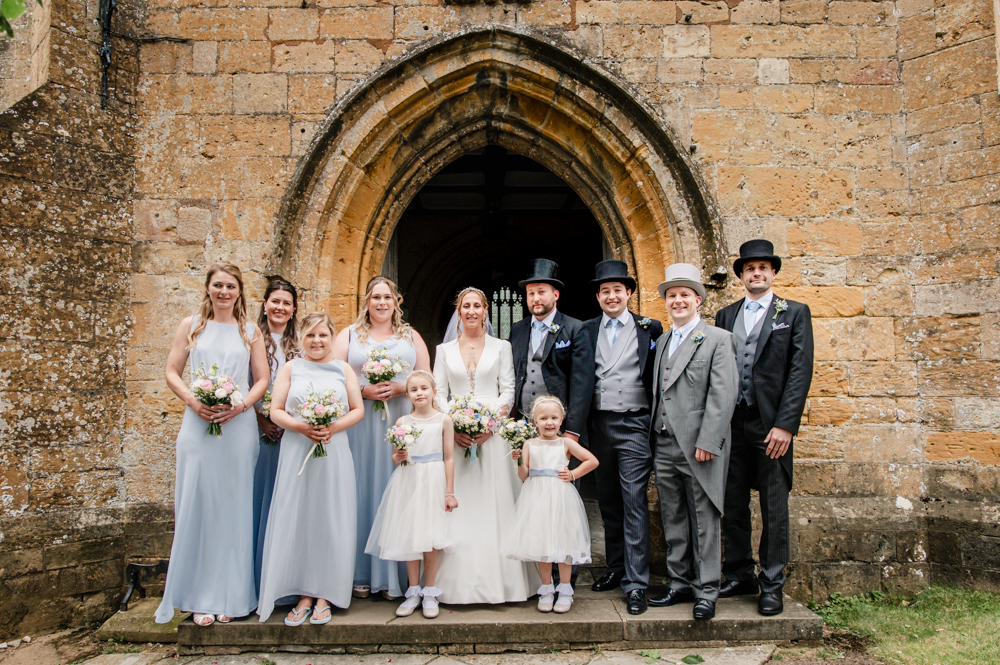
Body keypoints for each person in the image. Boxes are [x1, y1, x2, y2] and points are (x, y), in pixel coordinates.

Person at [156, 263, 270, 627]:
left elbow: (262, 378)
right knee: (199, 505)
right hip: (198, 423)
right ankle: (198, 596)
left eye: (230, 286)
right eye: (218, 285)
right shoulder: (191, 326)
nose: (224, 291)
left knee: (234, 508)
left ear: (239, 291)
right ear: (208, 288)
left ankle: (233, 595)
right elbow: (172, 371)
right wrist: (193, 401)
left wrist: (241, 406)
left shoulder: (250, 331)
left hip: (238, 426)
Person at [714, 239, 814, 616]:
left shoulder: (794, 312)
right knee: (732, 502)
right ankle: (739, 573)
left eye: (762, 268)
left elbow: (800, 371)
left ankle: (771, 582)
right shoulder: (726, 315)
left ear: (773, 273)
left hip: (770, 424)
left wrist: (785, 425)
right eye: (749, 268)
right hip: (732, 423)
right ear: (741, 275)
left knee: (774, 505)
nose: (756, 273)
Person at [257, 312, 365, 625]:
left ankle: (325, 593)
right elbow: (276, 411)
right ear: (301, 338)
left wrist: (331, 427)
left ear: (332, 337)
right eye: (310, 335)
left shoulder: (343, 369)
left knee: (329, 518)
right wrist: (302, 427)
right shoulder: (291, 368)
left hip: (333, 449)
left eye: (323, 335)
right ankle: (303, 593)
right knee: (301, 516)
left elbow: (357, 409)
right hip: (297, 449)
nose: (317, 341)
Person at [432, 287, 539, 603]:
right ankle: (455, 584)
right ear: (459, 311)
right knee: (460, 504)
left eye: (477, 306)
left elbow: (508, 390)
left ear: (485, 311)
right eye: (466, 306)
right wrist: (454, 425)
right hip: (457, 436)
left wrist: (490, 425)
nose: (471, 311)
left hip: (493, 437)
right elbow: (438, 392)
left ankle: (504, 584)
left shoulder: (502, 347)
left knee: (496, 504)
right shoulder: (443, 350)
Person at [647, 263, 738, 621]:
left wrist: (709, 440)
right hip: (664, 443)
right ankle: (680, 582)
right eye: (672, 295)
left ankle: (707, 589)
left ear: (698, 300)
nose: (678, 301)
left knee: (704, 519)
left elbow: (723, 394)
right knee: (672, 515)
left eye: (685, 294)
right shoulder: (662, 341)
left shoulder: (718, 339)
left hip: (699, 446)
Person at [333, 276, 431, 600]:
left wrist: (402, 387)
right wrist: (363, 390)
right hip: (360, 424)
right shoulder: (348, 335)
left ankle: (397, 575)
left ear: (396, 301)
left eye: (387, 297)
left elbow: (428, 378)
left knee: (399, 490)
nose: (381, 303)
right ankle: (360, 572)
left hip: (401, 421)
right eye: (375, 297)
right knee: (361, 487)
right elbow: (333, 376)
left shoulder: (410, 336)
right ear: (366, 301)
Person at [583, 260, 663, 615]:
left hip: (634, 423)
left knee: (633, 501)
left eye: (618, 290)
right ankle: (616, 568)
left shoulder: (650, 328)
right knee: (609, 501)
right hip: (598, 425)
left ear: (629, 292)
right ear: (598, 297)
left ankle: (636, 583)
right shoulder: (586, 330)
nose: (611, 296)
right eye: (605, 291)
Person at [365, 370, 458, 619]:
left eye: (424, 388)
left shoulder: (444, 420)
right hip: (409, 481)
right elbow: (396, 458)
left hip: (434, 481)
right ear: (407, 395)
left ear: (434, 392)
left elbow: (449, 458)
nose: (419, 393)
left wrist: (449, 492)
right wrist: (399, 456)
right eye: (414, 389)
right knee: (410, 537)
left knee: (430, 539)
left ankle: (430, 592)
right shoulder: (402, 423)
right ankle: (413, 591)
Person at [502, 396, 598, 614]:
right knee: (542, 544)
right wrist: (518, 460)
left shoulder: (566, 443)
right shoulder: (529, 444)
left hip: (560, 497)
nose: (549, 422)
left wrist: (573, 474)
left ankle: (565, 590)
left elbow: (592, 461)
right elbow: (524, 476)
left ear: (561, 420)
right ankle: (546, 589)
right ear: (535, 421)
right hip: (536, 498)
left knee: (562, 543)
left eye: (554, 418)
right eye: (544, 418)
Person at [251, 277, 300, 594]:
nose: (280, 307)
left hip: (291, 433)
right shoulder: (251, 339)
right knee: (259, 499)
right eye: (275, 301)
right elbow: (243, 384)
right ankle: (257, 579)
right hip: (257, 430)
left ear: (294, 309)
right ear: (265, 304)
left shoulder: (300, 344)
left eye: (286, 303)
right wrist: (260, 419)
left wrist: (292, 421)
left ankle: (284, 579)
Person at [510, 259, 595, 442]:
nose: (536, 299)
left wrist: (573, 430)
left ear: (556, 295)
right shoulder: (517, 329)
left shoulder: (575, 328)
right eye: (531, 293)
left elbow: (582, 384)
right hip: (522, 425)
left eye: (541, 292)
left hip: (559, 427)